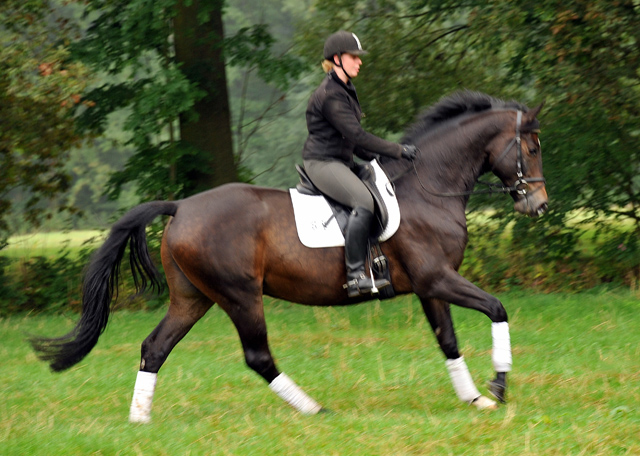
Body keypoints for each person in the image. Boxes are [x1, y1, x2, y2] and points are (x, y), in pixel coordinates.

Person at [301, 30, 418, 298]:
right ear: (337, 59)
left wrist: (390, 159)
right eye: (354, 57)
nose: (359, 61)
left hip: (342, 161)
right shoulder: (330, 94)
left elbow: (359, 145)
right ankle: (355, 276)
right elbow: (357, 136)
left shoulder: (345, 90)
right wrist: (398, 149)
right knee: (363, 202)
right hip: (322, 163)